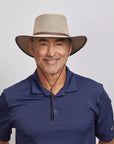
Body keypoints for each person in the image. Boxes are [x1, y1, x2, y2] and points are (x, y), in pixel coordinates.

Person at [0, 13, 114, 144]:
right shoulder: (10, 96)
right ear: (32, 48)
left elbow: (108, 140)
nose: (51, 53)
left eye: (58, 44)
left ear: (68, 48)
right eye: (43, 44)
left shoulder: (95, 92)